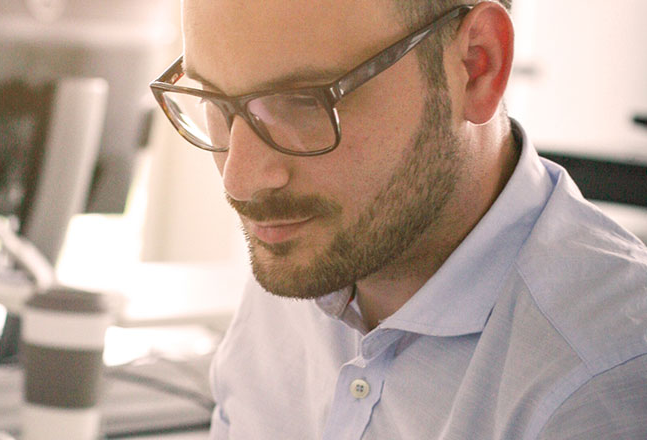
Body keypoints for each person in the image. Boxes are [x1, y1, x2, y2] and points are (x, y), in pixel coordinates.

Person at [149, 0, 647, 438]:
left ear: (478, 67)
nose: (241, 179)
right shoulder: (308, 252)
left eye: (303, 102)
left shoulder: (603, 381)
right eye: (216, 103)